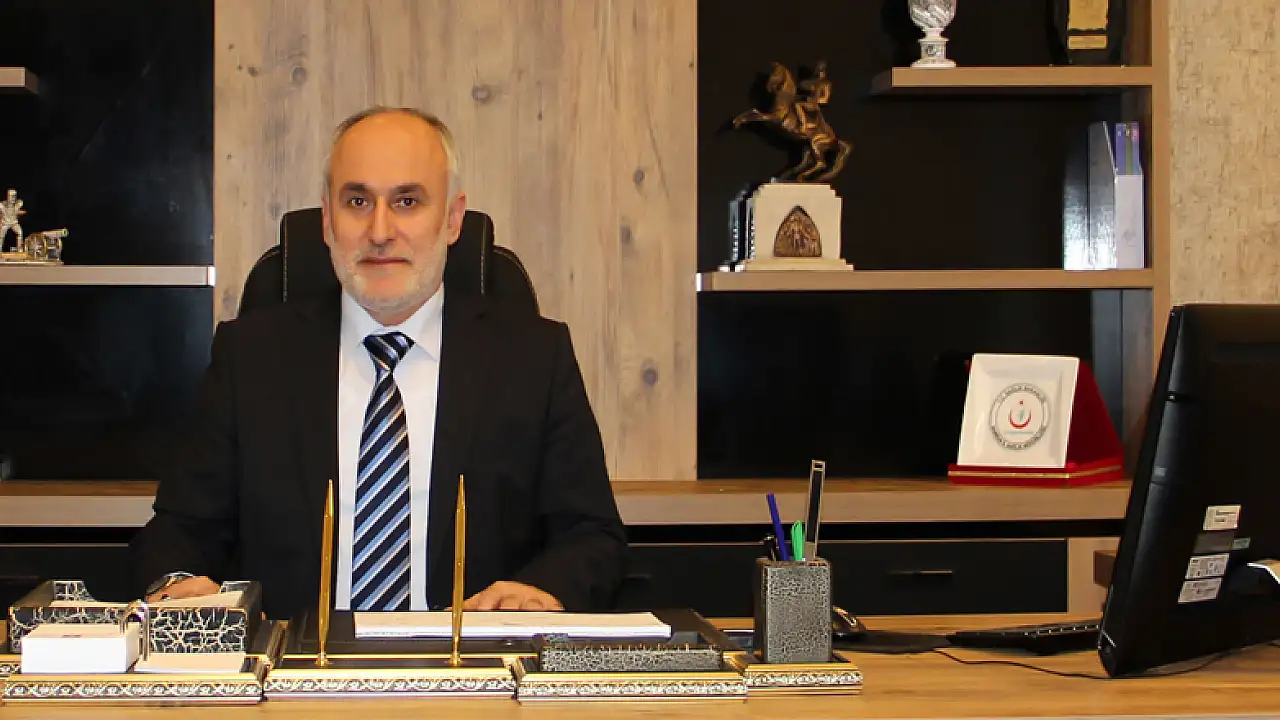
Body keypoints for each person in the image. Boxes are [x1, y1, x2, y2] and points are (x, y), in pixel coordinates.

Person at [130, 106, 628, 619]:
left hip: (471, 662)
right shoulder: (250, 357)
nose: (380, 230)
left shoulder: (534, 358)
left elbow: (591, 536)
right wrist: (178, 582)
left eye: (407, 201)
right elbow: (179, 530)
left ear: (452, 219)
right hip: (295, 662)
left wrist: (541, 591)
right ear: (328, 221)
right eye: (357, 201)